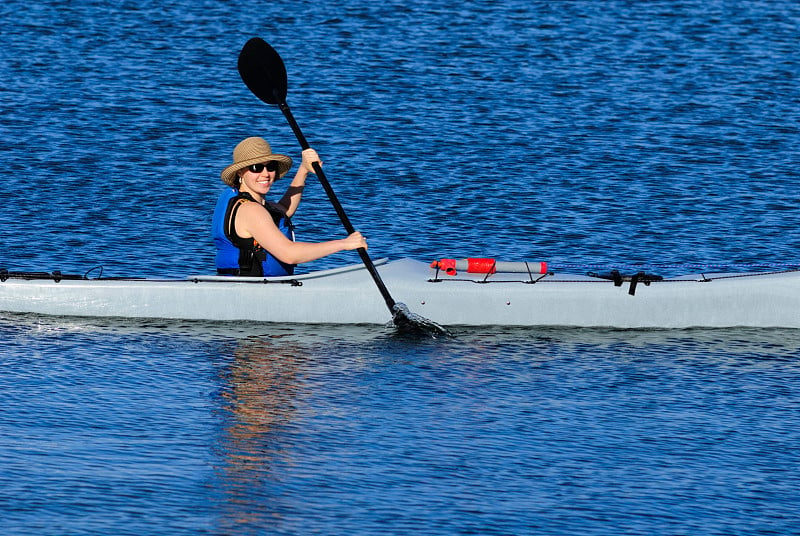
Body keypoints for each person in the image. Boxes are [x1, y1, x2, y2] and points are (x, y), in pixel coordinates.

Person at [212, 136, 367, 276]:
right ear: (240, 172)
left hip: (256, 287)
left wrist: (304, 169)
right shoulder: (251, 210)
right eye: (256, 168)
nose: (265, 174)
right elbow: (289, 254)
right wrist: (344, 244)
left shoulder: (239, 200)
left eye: (270, 166)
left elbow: (283, 210)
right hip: (251, 291)